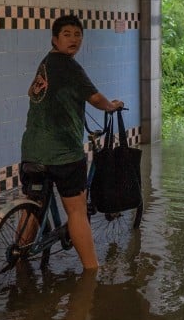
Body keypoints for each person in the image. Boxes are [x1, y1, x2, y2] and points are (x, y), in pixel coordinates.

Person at [21, 15, 125, 271]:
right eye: (67, 34)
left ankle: (20, 257)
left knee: (34, 204)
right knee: (77, 211)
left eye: (78, 34)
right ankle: (92, 271)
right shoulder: (68, 66)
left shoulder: (45, 63)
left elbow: (31, 92)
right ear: (55, 39)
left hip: (32, 152)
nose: (74, 39)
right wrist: (111, 107)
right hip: (63, 153)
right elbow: (95, 98)